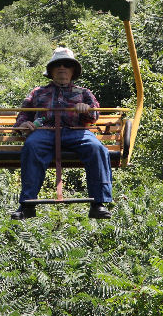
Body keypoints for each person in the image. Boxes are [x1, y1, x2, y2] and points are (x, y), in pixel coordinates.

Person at [10, 46, 113, 221]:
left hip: (76, 132)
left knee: (97, 149)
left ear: (73, 71)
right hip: (46, 131)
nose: (62, 68)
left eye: (67, 65)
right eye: (58, 65)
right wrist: (24, 124)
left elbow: (95, 115)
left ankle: (99, 203)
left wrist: (86, 110)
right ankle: (27, 204)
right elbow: (24, 114)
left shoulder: (83, 93)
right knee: (31, 146)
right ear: (51, 71)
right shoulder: (38, 92)